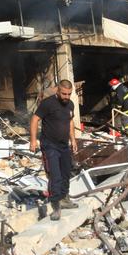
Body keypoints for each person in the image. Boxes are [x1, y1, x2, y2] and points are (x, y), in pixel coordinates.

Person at [30, 80, 79, 221]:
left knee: (65, 173)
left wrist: (73, 140)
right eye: (64, 93)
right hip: (49, 145)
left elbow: (70, 121)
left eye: (69, 94)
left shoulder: (70, 104)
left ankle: (65, 199)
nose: (66, 97)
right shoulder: (48, 103)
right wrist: (33, 140)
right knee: (55, 175)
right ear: (58, 90)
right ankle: (55, 206)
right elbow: (34, 119)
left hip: (64, 145)